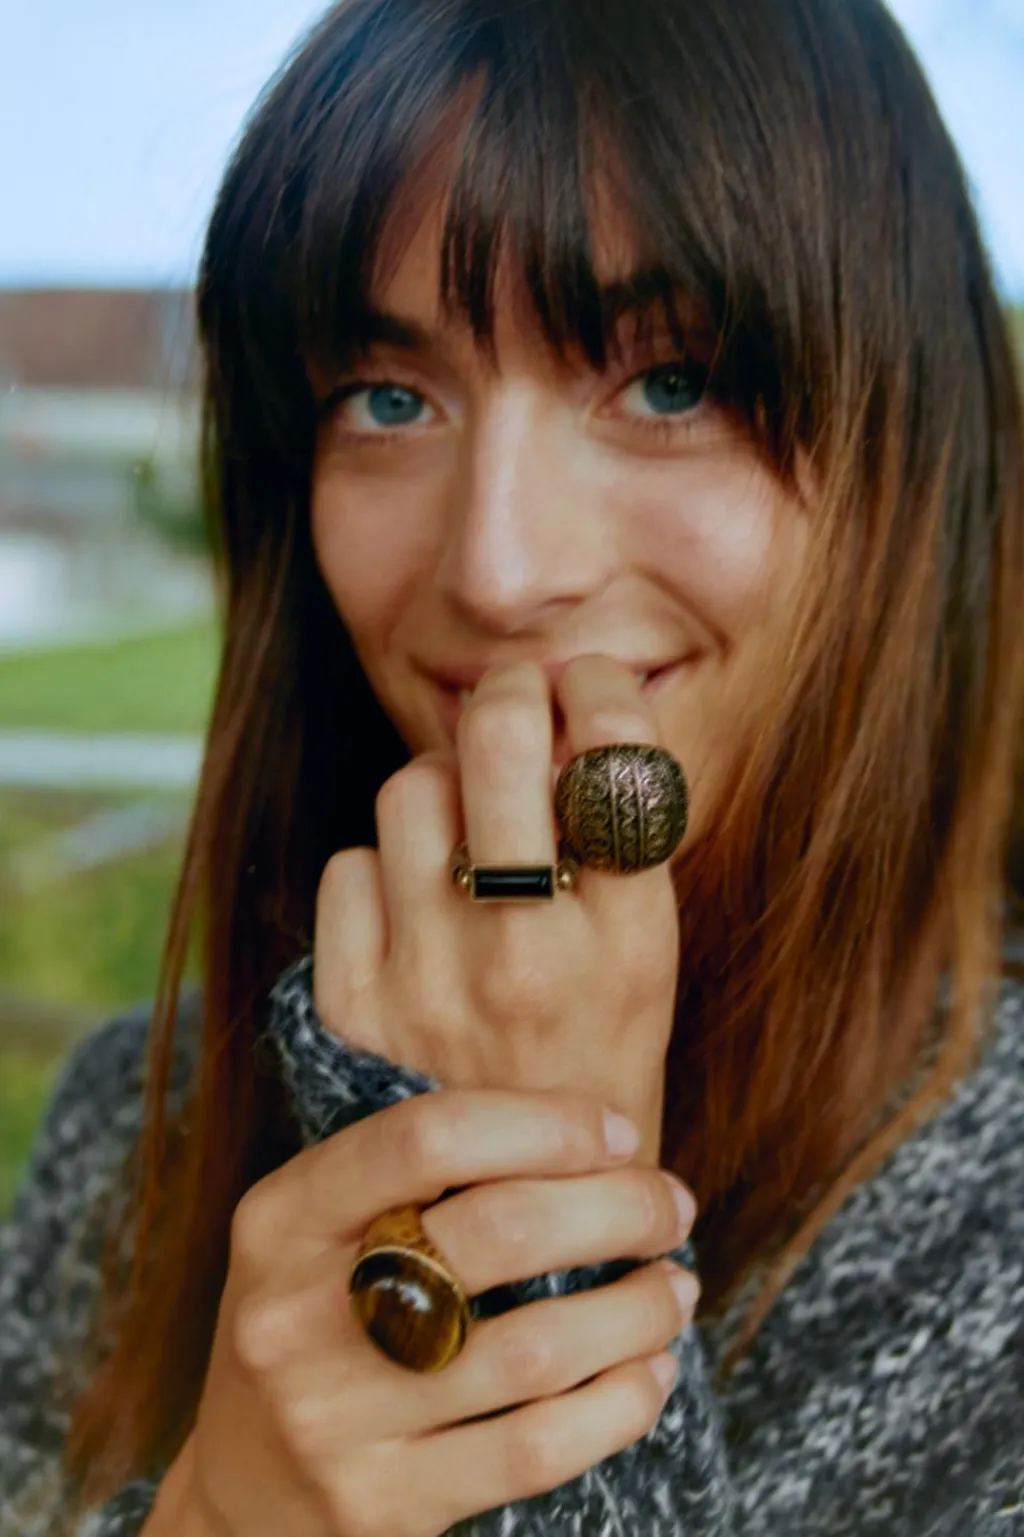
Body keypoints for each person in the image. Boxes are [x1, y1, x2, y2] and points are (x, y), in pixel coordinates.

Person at [2, 0, 1022, 1531]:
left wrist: (531, 1246)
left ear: (911, 457)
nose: (497, 569)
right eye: (388, 399)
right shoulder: (131, 1140)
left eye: (670, 383)